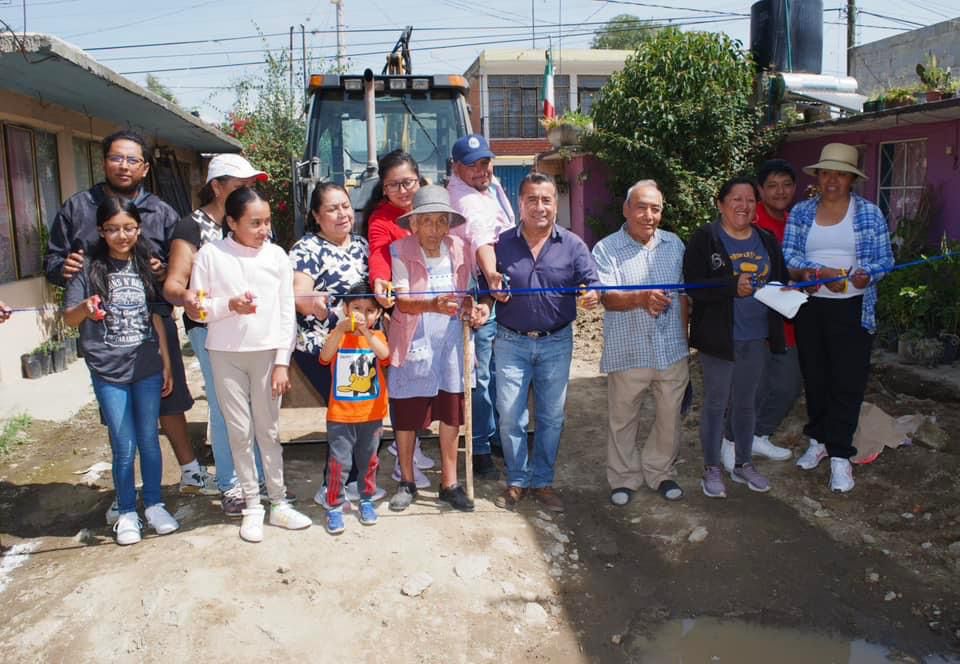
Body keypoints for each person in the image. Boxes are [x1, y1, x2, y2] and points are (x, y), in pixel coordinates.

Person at [45, 130, 214, 521]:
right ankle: (126, 496)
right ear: (104, 162)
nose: (124, 166)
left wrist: (163, 271)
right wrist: (64, 268)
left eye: (132, 160)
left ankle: (186, 471)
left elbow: (184, 267)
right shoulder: (77, 208)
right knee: (119, 417)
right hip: (105, 333)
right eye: (117, 158)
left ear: (145, 168)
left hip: (152, 322)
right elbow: (54, 263)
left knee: (168, 397)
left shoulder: (163, 212)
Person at [189, 187, 312, 542]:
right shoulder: (211, 255)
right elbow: (197, 308)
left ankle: (279, 502)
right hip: (225, 355)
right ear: (231, 222)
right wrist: (229, 305)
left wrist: (281, 363)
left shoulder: (276, 256)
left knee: (268, 431)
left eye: (267, 222)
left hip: (266, 355)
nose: (264, 230)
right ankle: (252, 506)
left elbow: (287, 313)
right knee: (238, 432)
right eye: (255, 223)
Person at [64, 198, 180, 545]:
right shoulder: (87, 268)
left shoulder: (146, 265)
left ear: (138, 228)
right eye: (112, 229)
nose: (121, 235)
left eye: (128, 228)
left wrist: (167, 363)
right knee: (124, 442)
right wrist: (85, 307)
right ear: (101, 231)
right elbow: (69, 317)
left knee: (149, 439)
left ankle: (155, 505)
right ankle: (127, 511)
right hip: (107, 368)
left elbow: (157, 317)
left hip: (146, 366)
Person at [783, 143, 894, 493]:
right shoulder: (801, 213)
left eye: (841, 174)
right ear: (818, 176)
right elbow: (789, 255)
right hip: (811, 307)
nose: (833, 180)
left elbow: (885, 259)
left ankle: (841, 456)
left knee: (847, 381)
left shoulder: (869, 213)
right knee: (816, 377)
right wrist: (815, 273)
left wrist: (867, 274)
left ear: (852, 180)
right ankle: (818, 441)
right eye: (827, 172)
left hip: (853, 308)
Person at [163, 153, 269, 516]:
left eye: (251, 186)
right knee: (228, 410)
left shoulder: (251, 222)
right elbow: (174, 284)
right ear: (217, 187)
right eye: (240, 186)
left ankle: (254, 477)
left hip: (252, 329)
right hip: (211, 332)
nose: (248, 191)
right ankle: (232, 484)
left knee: (255, 406)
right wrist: (187, 296)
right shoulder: (192, 227)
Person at [488, 172, 601, 513]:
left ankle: (543, 481)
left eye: (546, 200)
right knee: (510, 416)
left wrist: (592, 295)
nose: (540, 207)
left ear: (555, 204)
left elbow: (592, 282)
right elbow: (485, 287)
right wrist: (482, 300)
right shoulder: (501, 245)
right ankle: (518, 480)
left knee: (552, 417)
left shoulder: (573, 245)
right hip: (510, 342)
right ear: (520, 204)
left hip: (556, 342)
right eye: (532, 200)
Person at [386, 185, 491, 513]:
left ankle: (450, 483)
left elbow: (471, 292)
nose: (435, 229)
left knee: (451, 413)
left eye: (441, 221)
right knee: (406, 415)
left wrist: (473, 309)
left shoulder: (461, 248)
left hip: (451, 344)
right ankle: (407, 481)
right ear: (413, 223)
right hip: (414, 340)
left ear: (450, 224)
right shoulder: (400, 250)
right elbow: (402, 300)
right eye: (427, 221)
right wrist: (432, 303)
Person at [684, 176, 787, 499]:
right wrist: (731, 286)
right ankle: (712, 468)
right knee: (716, 404)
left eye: (750, 200)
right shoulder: (706, 238)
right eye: (736, 200)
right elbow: (693, 285)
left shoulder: (766, 239)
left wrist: (788, 293)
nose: (744, 206)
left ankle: (743, 463)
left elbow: (780, 279)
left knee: (746, 404)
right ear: (720, 204)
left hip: (756, 336)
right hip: (719, 338)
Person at [592, 180, 689, 505]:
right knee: (623, 418)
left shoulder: (674, 245)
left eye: (656, 208)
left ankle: (661, 472)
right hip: (628, 347)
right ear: (626, 209)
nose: (648, 215)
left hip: (671, 348)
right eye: (641, 207)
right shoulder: (606, 249)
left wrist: (685, 341)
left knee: (669, 417)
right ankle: (624, 477)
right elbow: (607, 298)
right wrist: (641, 298)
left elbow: (684, 294)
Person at [288, 183, 380, 507]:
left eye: (345, 206)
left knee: (359, 413)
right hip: (323, 349)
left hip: (360, 350)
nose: (342, 214)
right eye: (332, 208)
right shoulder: (307, 248)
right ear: (316, 215)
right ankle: (333, 488)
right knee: (344, 417)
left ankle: (353, 482)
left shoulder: (362, 246)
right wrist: (316, 304)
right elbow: (301, 295)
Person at [721, 159, 798, 470]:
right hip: (752, 324)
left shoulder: (797, 220)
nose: (780, 191)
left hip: (788, 321)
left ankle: (759, 435)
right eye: (771, 186)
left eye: (786, 184)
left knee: (787, 386)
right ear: (760, 192)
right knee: (750, 387)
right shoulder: (751, 223)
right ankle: (730, 441)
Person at [447, 133, 516, 480]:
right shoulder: (467, 200)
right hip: (479, 291)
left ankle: (495, 436)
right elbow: (481, 239)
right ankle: (481, 449)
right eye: (472, 165)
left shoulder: (488, 189)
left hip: (496, 290)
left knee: (498, 372)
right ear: (456, 167)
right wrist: (492, 276)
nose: (481, 170)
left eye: (485, 162)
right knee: (481, 374)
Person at [364, 150, 435, 488]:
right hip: (407, 313)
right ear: (384, 188)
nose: (403, 191)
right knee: (409, 385)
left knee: (432, 384)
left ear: (419, 179)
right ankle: (405, 453)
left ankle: (413, 443)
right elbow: (378, 255)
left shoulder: (434, 208)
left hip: (439, 311)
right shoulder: (382, 219)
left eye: (407, 182)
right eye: (393, 185)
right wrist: (380, 281)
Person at [318, 280, 390, 534]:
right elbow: (324, 357)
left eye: (370, 310)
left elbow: (384, 355)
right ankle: (335, 505)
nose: (363, 314)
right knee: (339, 462)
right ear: (346, 309)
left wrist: (367, 333)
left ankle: (366, 499)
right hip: (340, 416)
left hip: (371, 415)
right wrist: (338, 330)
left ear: (378, 313)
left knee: (369, 461)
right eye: (356, 308)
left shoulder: (377, 336)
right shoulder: (338, 338)